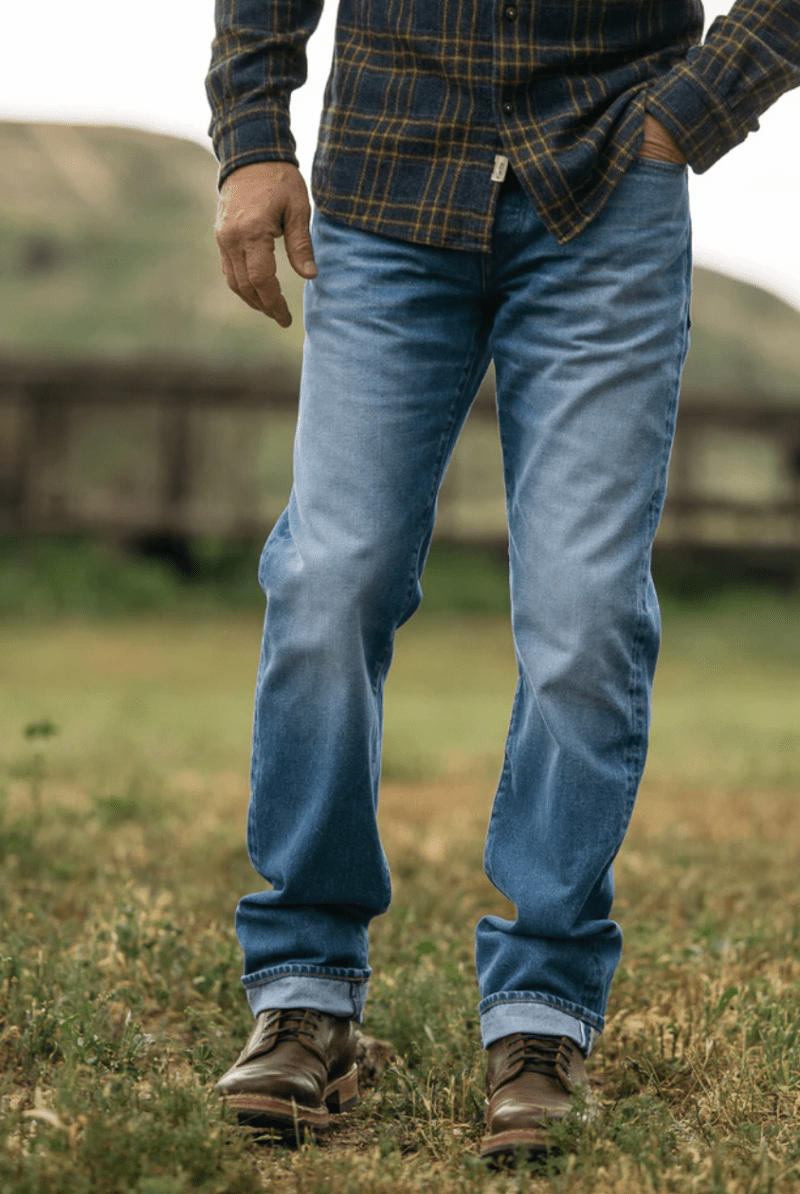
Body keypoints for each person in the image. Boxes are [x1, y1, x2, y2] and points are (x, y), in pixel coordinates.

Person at [206, 0, 800, 1161]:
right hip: (389, 178)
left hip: (605, 183)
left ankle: (540, 1016)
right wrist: (253, 134)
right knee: (333, 575)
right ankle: (305, 993)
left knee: (583, 613)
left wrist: (692, 110)